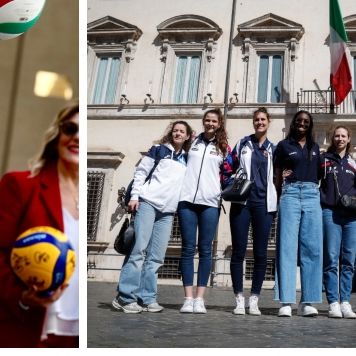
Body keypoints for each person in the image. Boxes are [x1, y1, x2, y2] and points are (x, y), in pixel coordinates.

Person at [0, 103, 79, 348]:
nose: (76, 137)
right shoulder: (20, 185)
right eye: (70, 128)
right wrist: (22, 296)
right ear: (57, 135)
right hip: (20, 328)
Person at [111, 121, 193, 314]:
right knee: (138, 250)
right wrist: (134, 197)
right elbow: (140, 173)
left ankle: (147, 298)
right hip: (148, 203)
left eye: (182, 132)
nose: (178, 134)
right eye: (175, 131)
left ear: (188, 136)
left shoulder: (187, 159)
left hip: (167, 212)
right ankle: (124, 296)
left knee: (156, 257)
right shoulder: (158, 150)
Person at [177, 109, 232, 314]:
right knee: (188, 249)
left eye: (214, 121)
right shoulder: (191, 142)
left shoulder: (224, 147)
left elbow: (230, 173)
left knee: (206, 250)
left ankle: (200, 299)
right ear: (203, 122)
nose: (210, 123)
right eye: (207, 120)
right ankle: (187, 298)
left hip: (210, 203)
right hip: (187, 201)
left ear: (219, 124)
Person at [273, 111, 323, 317]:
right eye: (299, 121)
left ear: (310, 126)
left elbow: (320, 174)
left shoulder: (316, 147)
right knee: (287, 247)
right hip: (290, 193)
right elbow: (276, 175)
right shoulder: (283, 146)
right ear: (293, 124)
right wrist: (276, 199)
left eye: (306, 122)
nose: (302, 124)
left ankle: (308, 301)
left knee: (312, 248)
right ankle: (286, 300)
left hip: (312, 194)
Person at [227, 107, 276, 316]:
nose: (259, 122)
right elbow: (227, 166)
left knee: (261, 254)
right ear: (253, 122)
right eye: (257, 119)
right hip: (242, 203)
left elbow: (281, 174)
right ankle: (239, 298)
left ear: (269, 122)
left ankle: (254, 299)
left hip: (264, 205)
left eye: (263, 119)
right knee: (238, 252)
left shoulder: (274, 149)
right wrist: (229, 182)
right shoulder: (242, 144)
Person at [319, 126, 356, 319]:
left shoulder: (355, 162)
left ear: (348, 138)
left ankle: (345, 301)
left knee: (348, 261)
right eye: (337, 135)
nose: (340, 138)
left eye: (343, 135)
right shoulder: (324, 160)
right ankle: (333, 302)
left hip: (352, 215)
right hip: (330, 212)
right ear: (332, 138)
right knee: (331, 259)